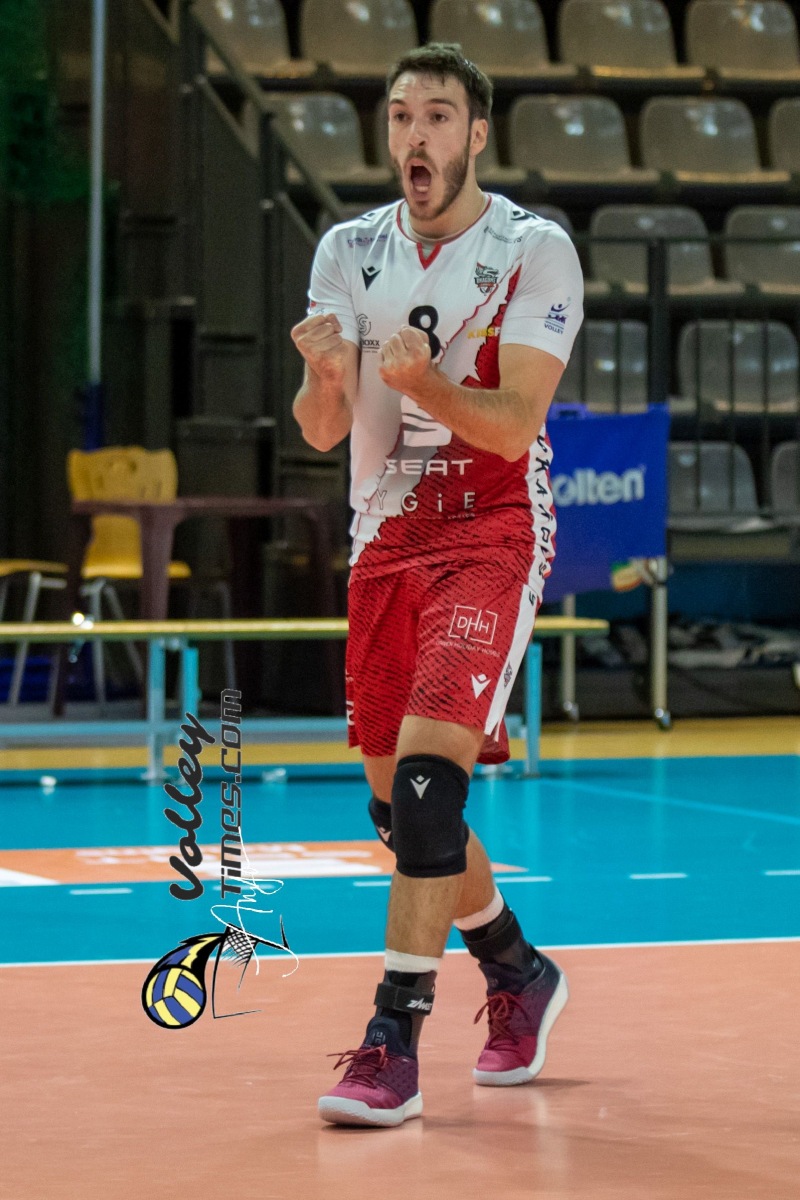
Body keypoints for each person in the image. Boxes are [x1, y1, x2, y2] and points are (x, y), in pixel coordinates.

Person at [290, 43, 584, 1129]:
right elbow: (322, 430)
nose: (415, 135)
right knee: (394, 806)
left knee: (425, 790)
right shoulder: (348, 250)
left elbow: (512, 426)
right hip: (385, 538)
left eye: (438, 116)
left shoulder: (531, 252)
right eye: (401, 115)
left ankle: (391, 1042)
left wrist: (426, 385)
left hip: (493, 530)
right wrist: (326, 379)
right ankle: (515, 968)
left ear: (476, 134)